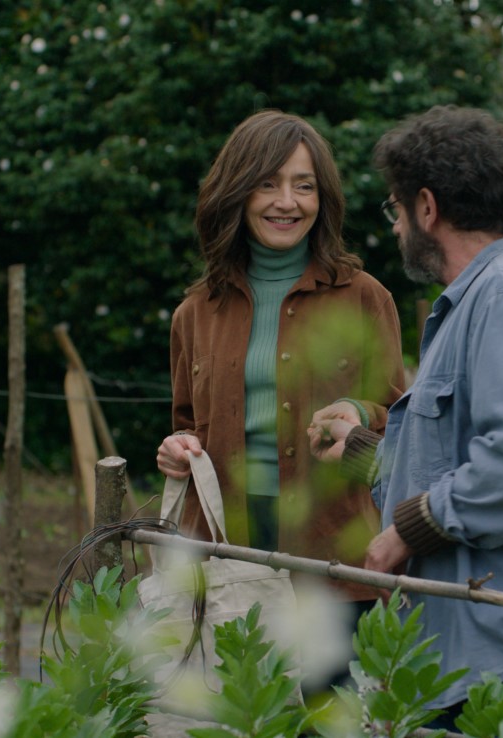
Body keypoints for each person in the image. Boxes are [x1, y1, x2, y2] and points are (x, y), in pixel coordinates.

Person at [307, 106, 503, 726]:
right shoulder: (479, 300)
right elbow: (457, 462)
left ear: (426, 207)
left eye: (396, 210)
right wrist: (360, 450)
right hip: (476, 663)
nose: (397, 227)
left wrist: (405, 531)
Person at [154, 109, 406, 681]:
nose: (286, 201)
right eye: (267, 183)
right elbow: (188, 424)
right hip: (225, 554)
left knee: (329, 711)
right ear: (236, 193)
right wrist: (176, 449)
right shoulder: (195, 311)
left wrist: (358, 413)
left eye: (304, 185)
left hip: (332, 552)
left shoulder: (365, 297)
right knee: (238, 710)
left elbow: (400, 419)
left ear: (324, 198)